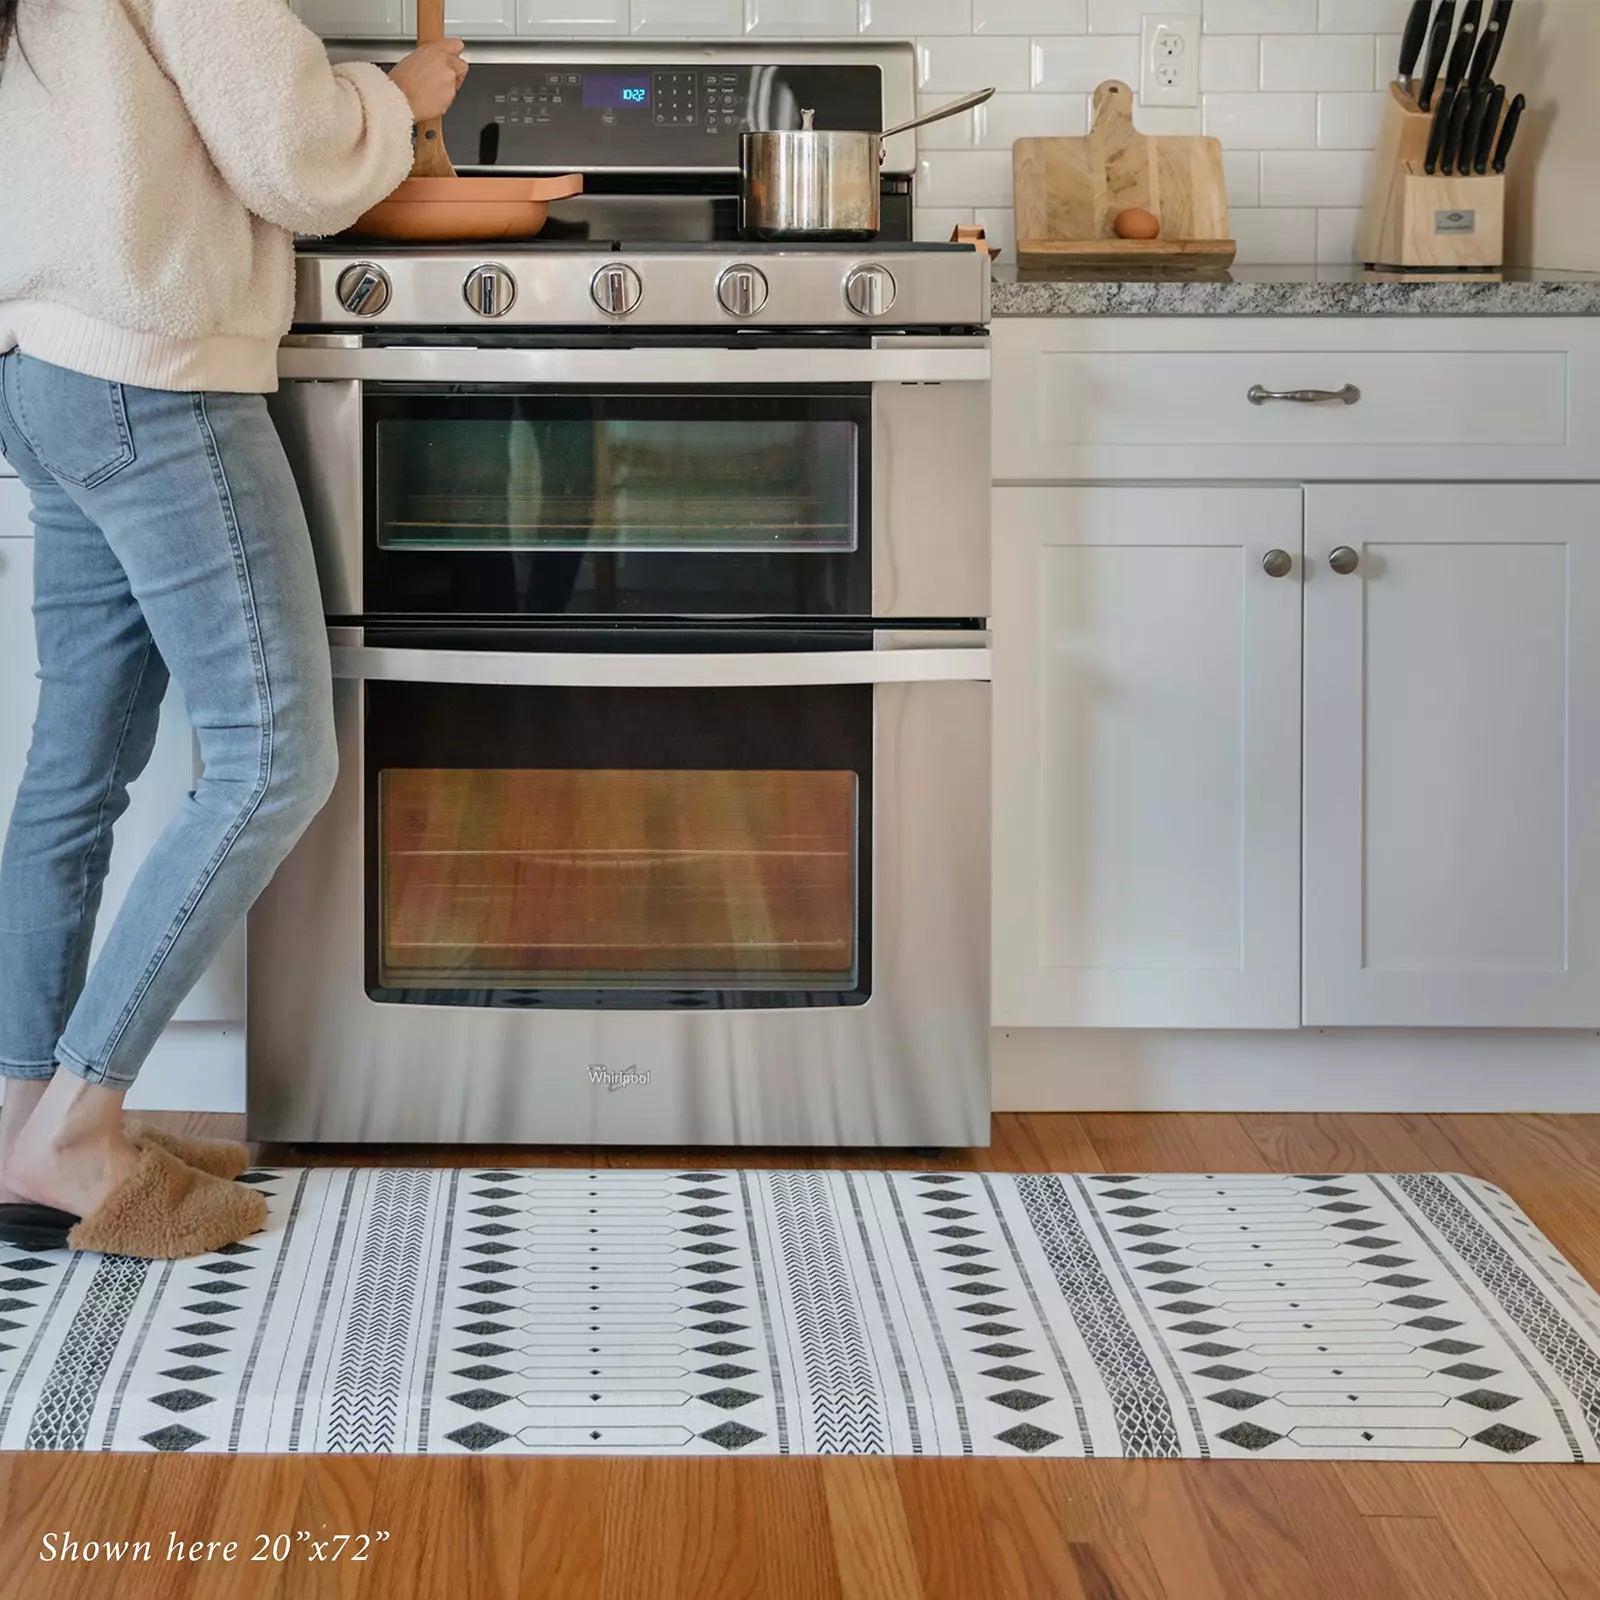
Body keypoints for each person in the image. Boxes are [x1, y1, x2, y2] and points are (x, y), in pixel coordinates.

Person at [0, 1, 467, 1257]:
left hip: (42, 366)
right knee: (274, 757)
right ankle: (78, 1127)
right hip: (155, 374)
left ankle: (15, 1121)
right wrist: (400, 97)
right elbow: (291, 152)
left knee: (75, 769)